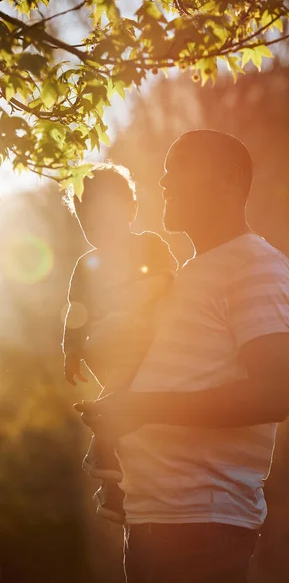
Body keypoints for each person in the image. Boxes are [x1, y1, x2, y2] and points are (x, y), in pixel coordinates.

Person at [76, 130, 289, 583]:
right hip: (154, 522)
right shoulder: (185, 274)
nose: (162, 181)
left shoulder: (256, 265)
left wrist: (141, 409)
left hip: (202, 529)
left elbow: (273, 393)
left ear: (229, 179)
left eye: (177, 168)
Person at [62, 163, 177, 523]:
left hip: (145, 339)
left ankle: (113, 484)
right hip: (110, 345)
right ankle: (107, 449)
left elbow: (167, 279)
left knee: (125, 403)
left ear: (131, 209)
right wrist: (72, 349)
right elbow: (76, 312)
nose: (98, 230)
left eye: (105, 217)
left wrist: (137, 295)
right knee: (120, 377)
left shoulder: (148, 244)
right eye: (88, 223)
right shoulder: (86, 264)